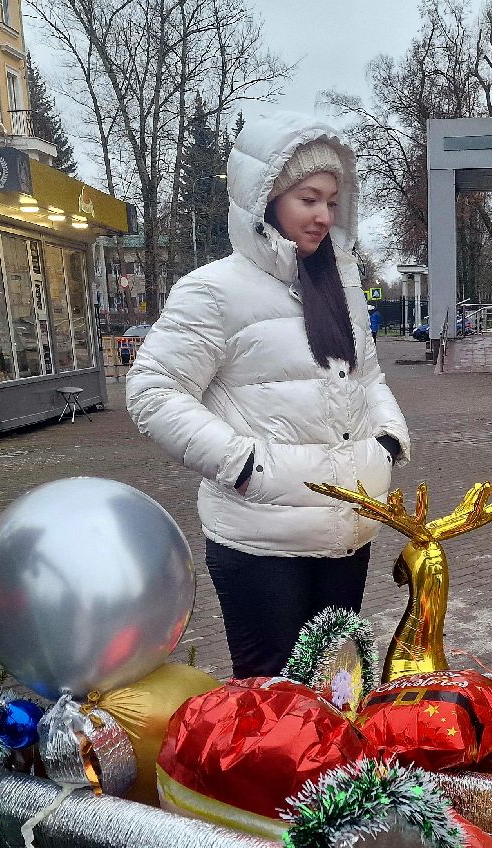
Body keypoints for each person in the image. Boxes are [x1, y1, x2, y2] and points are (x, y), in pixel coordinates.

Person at [126, 113, 410, 678]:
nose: (324, 216)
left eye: (332, 201)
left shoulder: (338, 285)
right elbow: (152, 390)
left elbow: (368, 376)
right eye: (309, 199)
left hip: (346, 535)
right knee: (273, 714)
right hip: (263, 546)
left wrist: (389, 441)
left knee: (336, 698)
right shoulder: (213, 291)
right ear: (267, 199)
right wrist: (242, 464)